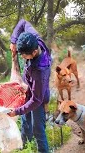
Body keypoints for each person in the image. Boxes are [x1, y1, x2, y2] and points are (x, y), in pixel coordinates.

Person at [8, 19, 52, 152]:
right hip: (29, 90)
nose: (21, 57)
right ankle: (24, 146)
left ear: (33, 53)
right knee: (26, 123)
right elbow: (23, 22)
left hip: (37, 97)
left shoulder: (40, 71)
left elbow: (36, 100)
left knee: (38, 129)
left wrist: (17, 111)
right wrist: (13, 41)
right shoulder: (35, 40)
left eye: (23, 55)